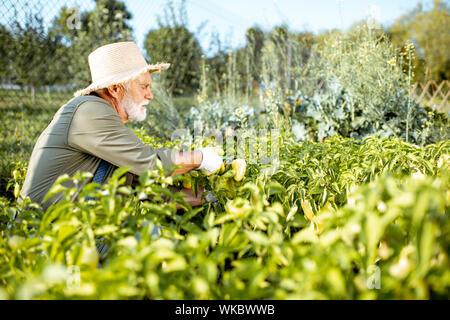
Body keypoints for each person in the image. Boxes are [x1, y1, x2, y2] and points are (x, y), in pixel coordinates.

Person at [19, 41, 223, 211]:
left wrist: (208, 195)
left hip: (69, 228)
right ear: (115, 89)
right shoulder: (89, 111)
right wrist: (201, 158)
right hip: (42, 235)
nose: (150, 95)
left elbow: (142, 189)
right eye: (144, 87)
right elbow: (151, 165)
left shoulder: (104, 121)